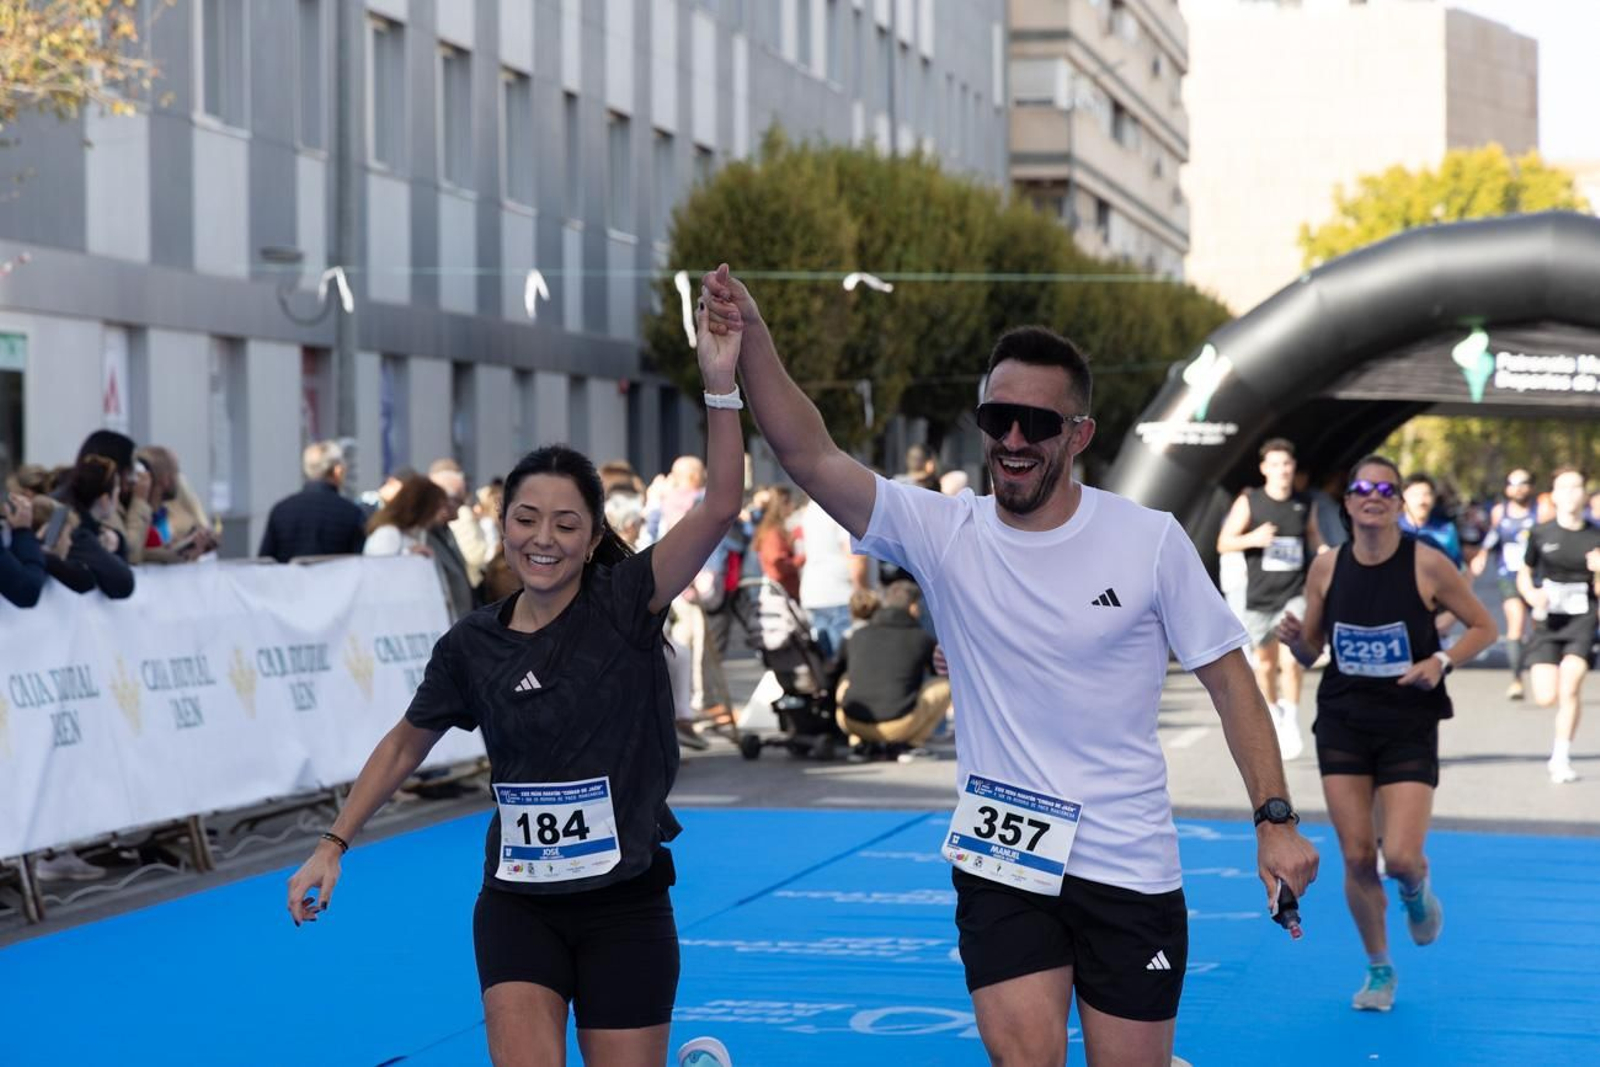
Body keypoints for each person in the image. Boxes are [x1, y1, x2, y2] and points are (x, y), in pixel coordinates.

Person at [701, 268, 1317, 1067]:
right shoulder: (943, 530)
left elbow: (1232, 679)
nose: (1015, 440)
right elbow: (809, 455)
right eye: (999, 418)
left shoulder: (1149, 540)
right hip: (1006, 859)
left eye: (1037, 421)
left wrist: (1274, 819)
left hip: (1127, 860)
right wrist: (752, 340)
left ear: (1080, 434)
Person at [285, 275, 745, 1067]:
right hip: (517, 904)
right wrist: (334, 841)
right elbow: (404, 743)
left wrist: (719, 384)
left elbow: (719, 504)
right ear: (502, 526)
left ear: (594, 534)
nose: (544, 538)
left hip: (625, 905)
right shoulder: (472, 644)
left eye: (567, 524)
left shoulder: (625, 601)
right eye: (527, 519)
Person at [1277, 455, 1495, 1012]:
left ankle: (1417, 892)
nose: (1373, 495)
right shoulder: (1327, 566)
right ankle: (1379, 971)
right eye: (1362, 488)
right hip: (1345, 718)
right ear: (1348, 504)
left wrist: (1440, 662)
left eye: (1386, 488)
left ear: (1399, 503)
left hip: (1407, 721)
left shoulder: (1428, 564)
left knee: (1398, 856)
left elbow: (1484, 626)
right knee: (1355, 856)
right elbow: (1314, 650)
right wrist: (1296, 640)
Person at [1217, 438, 1324, 761]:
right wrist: (1253, 538)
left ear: (1294, 468)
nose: (1282, 470)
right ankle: (1275, 712)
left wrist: (1328, 558)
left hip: (1293, 592)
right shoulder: (1250, 501)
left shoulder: (1306, 503)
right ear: (1265, 469)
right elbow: (1223, 542)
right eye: (1275, 465)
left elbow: (1315, 541)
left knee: (1291, 659)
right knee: (1265, 664)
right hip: (1259, 596)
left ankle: (1291, 718)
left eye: (1287, 464)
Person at [1516, 467, 1600, 785]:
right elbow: (1524, 572)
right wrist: (1530, 593)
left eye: (1575, 487)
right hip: (1548, 620)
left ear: (1584, 493)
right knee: (1546, 696)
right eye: (1562, 488)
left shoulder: (1596, 535)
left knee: (1571, 686)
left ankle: (1561, 756)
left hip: (1583, 617)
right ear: (1553, 494)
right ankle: (1559, 750)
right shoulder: (1540, 534)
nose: (1569, 494)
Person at [828, 580, 951, 760]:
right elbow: (937, 672)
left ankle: (861, 745)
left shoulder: (857, 634)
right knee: (944, 685)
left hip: (851, 721)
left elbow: (834, 674)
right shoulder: (921, 639)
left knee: (846, 680)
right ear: (913, 607)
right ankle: (911, 746)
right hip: (897, 726)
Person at [1471, 469, 1539, 700]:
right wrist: (1482, 555)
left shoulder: (1542, 510)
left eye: (1524, 483)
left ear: (1531, 486)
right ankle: (1517, 680)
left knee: (1539, 625)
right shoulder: (1501, 511)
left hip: (1536, 576)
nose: (1518, 488)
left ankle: (1540, 668)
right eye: (1513, 483)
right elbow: (1493, 536)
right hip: (1508, 574)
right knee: (1516, 624)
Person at [258, 440, 368, 562]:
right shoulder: (352, 513)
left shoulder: (281, 511)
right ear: (337, 470)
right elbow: (360, 563)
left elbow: (264, 562)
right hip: (336, 580)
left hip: (289, 580)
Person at [753, 485, 800, 600]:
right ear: (782, 505)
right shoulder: (772, 533)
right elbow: (779, 565)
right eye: (790, 502)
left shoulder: (775, 530)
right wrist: (803, 559)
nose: (793, 506)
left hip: (785, 592)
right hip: (781, 595)